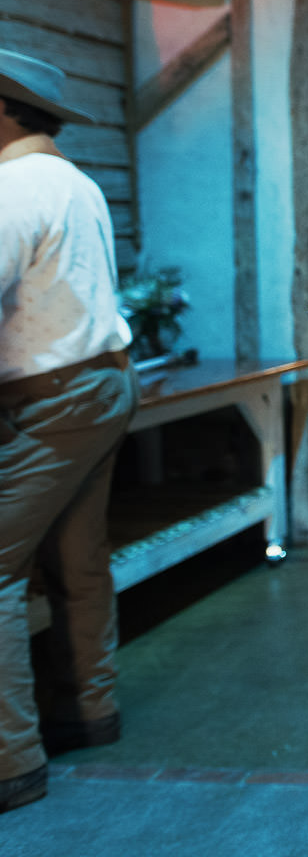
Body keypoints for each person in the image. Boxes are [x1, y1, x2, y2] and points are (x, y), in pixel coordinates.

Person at [0, 50, 140, 813]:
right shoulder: (74, 182)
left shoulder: (12, 188)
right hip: (101, 383)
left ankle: (10, 758)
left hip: (52, 396)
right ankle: (89, 711)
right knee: (78, 560)